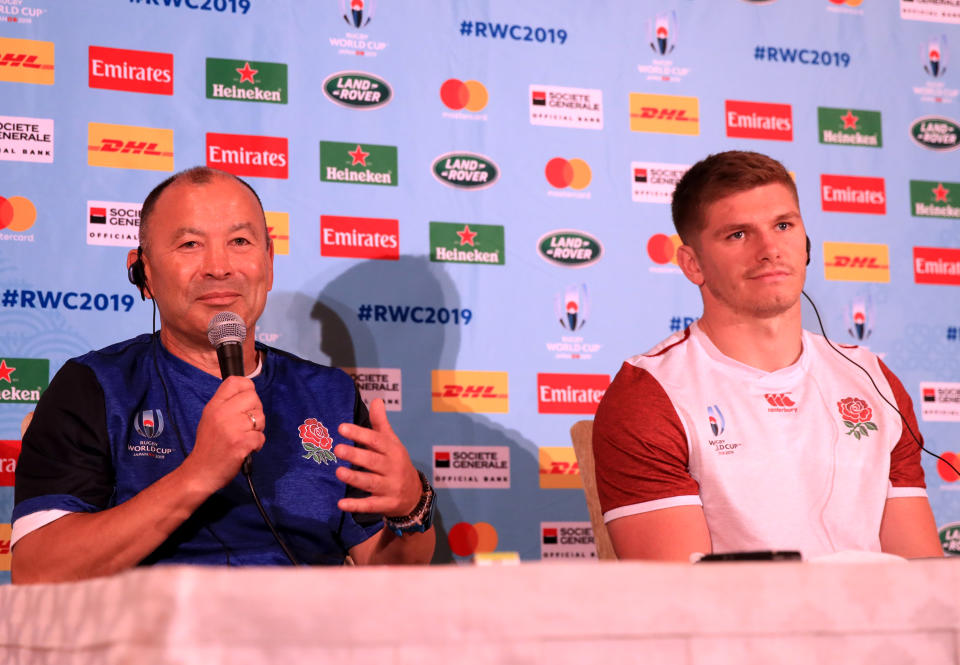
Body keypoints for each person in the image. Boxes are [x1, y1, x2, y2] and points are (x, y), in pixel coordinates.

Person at [12, 167, 435, 582]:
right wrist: (198, 474)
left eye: (240, 241)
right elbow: (39, 570)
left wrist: (411, 509)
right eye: (190, 244)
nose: (219, 266)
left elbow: (391, 576)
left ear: (268, 262)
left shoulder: (330, 394)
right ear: (144, 274)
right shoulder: (94, 386)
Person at [593, 151, 943, 561]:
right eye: (738, 234)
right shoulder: (650, 395)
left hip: (871, 621)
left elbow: (919, 574)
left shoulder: (872, 379)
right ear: (692, 264)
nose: (770, 249)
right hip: (745, 625)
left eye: (783, 225)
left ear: (807, 243)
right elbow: (680, 600)